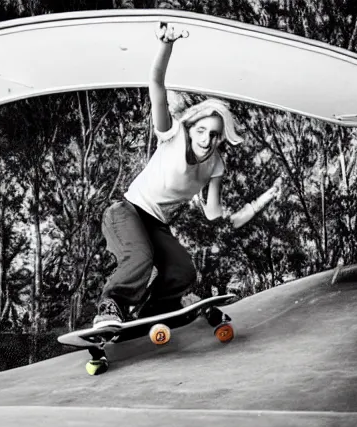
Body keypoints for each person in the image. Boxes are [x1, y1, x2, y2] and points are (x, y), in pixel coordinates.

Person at [87, 22, 245, 375]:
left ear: (221, 139)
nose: (206, 139)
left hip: (156, 223)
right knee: (139, 258)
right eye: (201, 130)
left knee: (182, 270)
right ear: (192, 128)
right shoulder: (171, 136)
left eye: (214, 135)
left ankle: (150, 316)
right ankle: (109, 306)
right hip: (125, 211)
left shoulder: (216, 165)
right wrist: (165, 45)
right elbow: (156, 85)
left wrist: (241, 214)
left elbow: (213, 213)